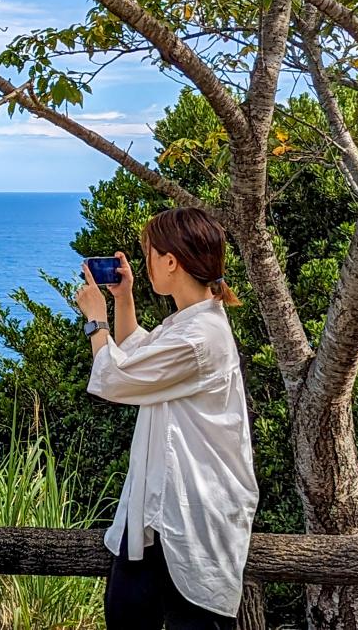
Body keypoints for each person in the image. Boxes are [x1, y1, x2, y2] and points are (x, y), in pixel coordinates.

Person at [75, 206, 259, 630]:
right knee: (125, 613)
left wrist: (95, 320)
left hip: (193, 514)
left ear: (171, 261)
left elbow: (115, 379)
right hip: (158, 512)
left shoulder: (199, 338)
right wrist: (124, 300)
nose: (147, 264)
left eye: (150, 254)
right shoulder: (190, 325)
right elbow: (137, 355)